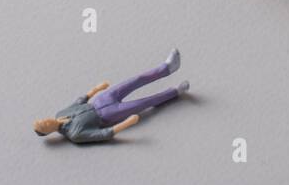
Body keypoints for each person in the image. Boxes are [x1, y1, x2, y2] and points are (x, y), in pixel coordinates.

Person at [33, 49, 188, 144]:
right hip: (108, 115)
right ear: (48, 132)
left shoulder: (60, 114)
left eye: (42, 120)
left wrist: (96, 89)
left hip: (100, 100)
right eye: (44, 125)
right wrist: (128, 122)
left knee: (135, 80)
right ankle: (175, 91)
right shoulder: (75, 134)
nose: (45, 121)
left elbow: (79, 101)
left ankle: (167, 67)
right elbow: (105, 134)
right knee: (145, 102)